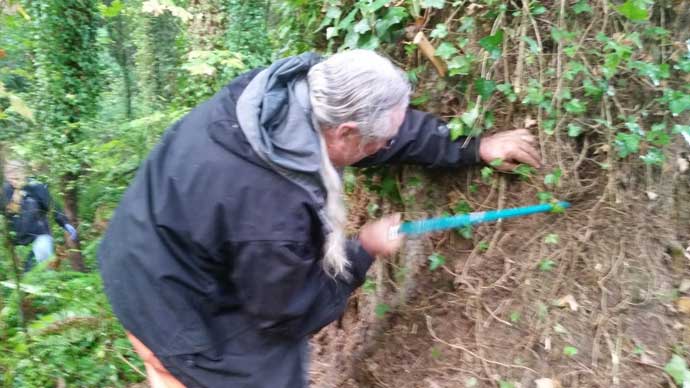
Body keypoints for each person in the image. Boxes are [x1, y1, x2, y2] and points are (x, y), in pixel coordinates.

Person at [98, 50, 540, 388]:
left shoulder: (282, 95)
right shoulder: (268, 210)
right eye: (377, 142)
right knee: (271, 369)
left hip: (155, 235)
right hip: (164, 298)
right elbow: (287, 312)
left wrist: (469, 148)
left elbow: (383, 127)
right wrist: (363, 250)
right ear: (345, 133)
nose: (385, 147)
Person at [2, 173, 78, 272]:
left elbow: (51, 205)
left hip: (40, 237)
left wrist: (64, 223)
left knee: (42, 268)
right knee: (27, 277)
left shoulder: (35, 187)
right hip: (20, 244)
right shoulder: (6, 189)